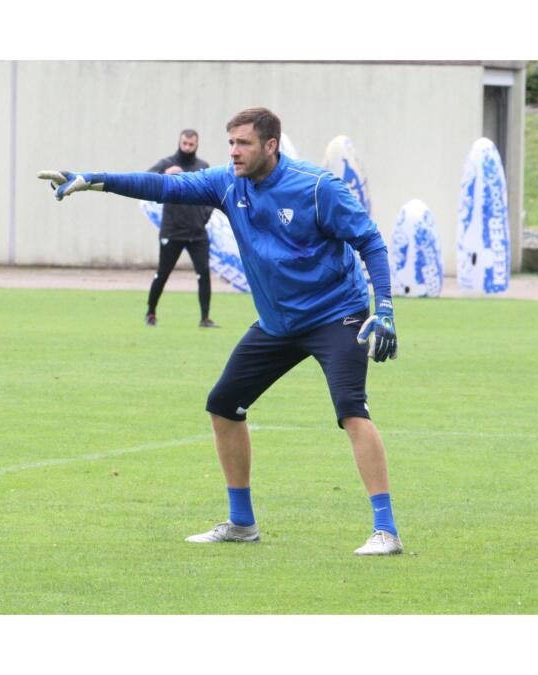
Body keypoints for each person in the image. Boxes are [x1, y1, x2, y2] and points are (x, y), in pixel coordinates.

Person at [38, 107, 403, 555]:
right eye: (230, 142)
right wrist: (94, 179)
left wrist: (383, 307)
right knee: (223, 405)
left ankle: (385, 531)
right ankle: (241, 523)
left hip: (336, 313)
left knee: (351, 410)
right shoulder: (226, 183)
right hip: (277, 322)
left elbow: (370, 240)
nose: (233, 152)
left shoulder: (316, 188)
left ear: (271, 146)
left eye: (243, 143)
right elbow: (163, 185)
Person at [144, 129, 219, 328]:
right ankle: (150, 312)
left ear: (197, 145)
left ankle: (205, 318)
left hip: (197, 233)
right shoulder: (167, 164)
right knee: (163, 273)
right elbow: (145, 179)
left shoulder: (203, 167)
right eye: (184, 144)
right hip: (172, 231)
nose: (187, 148)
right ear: (179, 143)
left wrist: (203, 217)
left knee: (203, 274)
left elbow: (212, 196)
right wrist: (164, 176)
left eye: (191, 145)